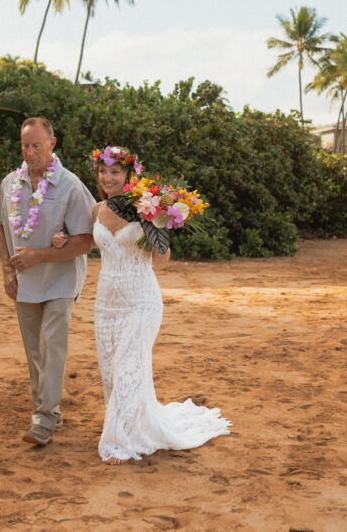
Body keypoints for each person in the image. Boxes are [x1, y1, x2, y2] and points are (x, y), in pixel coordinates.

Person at [53, 146, 230, 464]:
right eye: (103, 172)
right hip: (106, 304)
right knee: (111, 372)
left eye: (115, 172)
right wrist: (61, 239)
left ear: (129, 176)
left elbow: (162, 259)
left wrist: (159, 221)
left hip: (141, 301)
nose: (108, 178)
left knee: (127, 370)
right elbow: (91, 242)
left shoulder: (144, 208)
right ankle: (132, 426)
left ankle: (119, 442)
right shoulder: (96, 210)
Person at [0, 117, 95, 446]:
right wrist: (8, 270)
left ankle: (45, 418)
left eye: (37, 145)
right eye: (25, 145)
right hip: (25, 282)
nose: (30, 152)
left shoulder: (71, 185)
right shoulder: (10, 183)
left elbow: (86, 241)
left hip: (61, 280)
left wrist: (40, 255)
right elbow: (2, 228)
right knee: (34, 350)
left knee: (53, 346)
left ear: (52, 143)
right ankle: (48, 409)